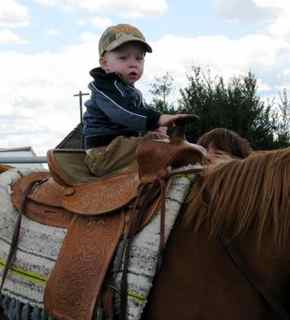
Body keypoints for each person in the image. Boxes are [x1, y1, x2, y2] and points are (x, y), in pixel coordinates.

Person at [82, 23, 191, 149]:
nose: (133, 64)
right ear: (104, 63)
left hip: (124, 144)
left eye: (139, 58)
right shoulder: (105, 88)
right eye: (123, 58)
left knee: (163, 143)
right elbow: (124, 112)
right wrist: (157, 119)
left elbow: (142, 111)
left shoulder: (130, 91)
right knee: (157, 150)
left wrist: (156, 127)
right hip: (104, 149)